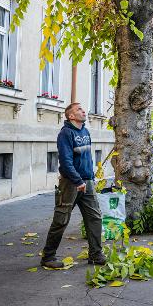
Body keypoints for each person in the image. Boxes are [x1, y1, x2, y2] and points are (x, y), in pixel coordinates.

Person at [41, 102, 106, 268]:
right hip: (70, 183)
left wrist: (90, 178)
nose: (84, 111)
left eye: (83, 109)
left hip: (87, 182)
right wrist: (78, 181)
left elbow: (87, 159)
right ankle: (48, 257)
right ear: (71, 116)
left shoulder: (85, 131)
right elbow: (65, 161)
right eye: (79, 109)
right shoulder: (66, 134)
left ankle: (95, 255)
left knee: (95, 217)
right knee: (61, 219)